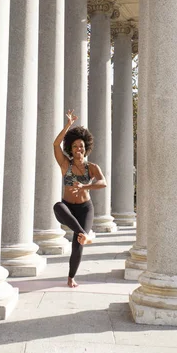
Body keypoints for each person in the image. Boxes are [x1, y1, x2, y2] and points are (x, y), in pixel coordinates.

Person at [53, 109, 106, 288]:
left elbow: (103, 183)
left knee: (78, 244)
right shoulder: (65, 164)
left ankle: (71, 277)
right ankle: (85, 234)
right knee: (57, 206)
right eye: (75, 146)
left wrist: (85, 186)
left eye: (81, 146)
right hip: (68, 207)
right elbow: (55, 144)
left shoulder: (92, 167)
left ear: (86, 147)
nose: (78, 149)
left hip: (85, 208)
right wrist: (68, 125)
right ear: (71, 148)